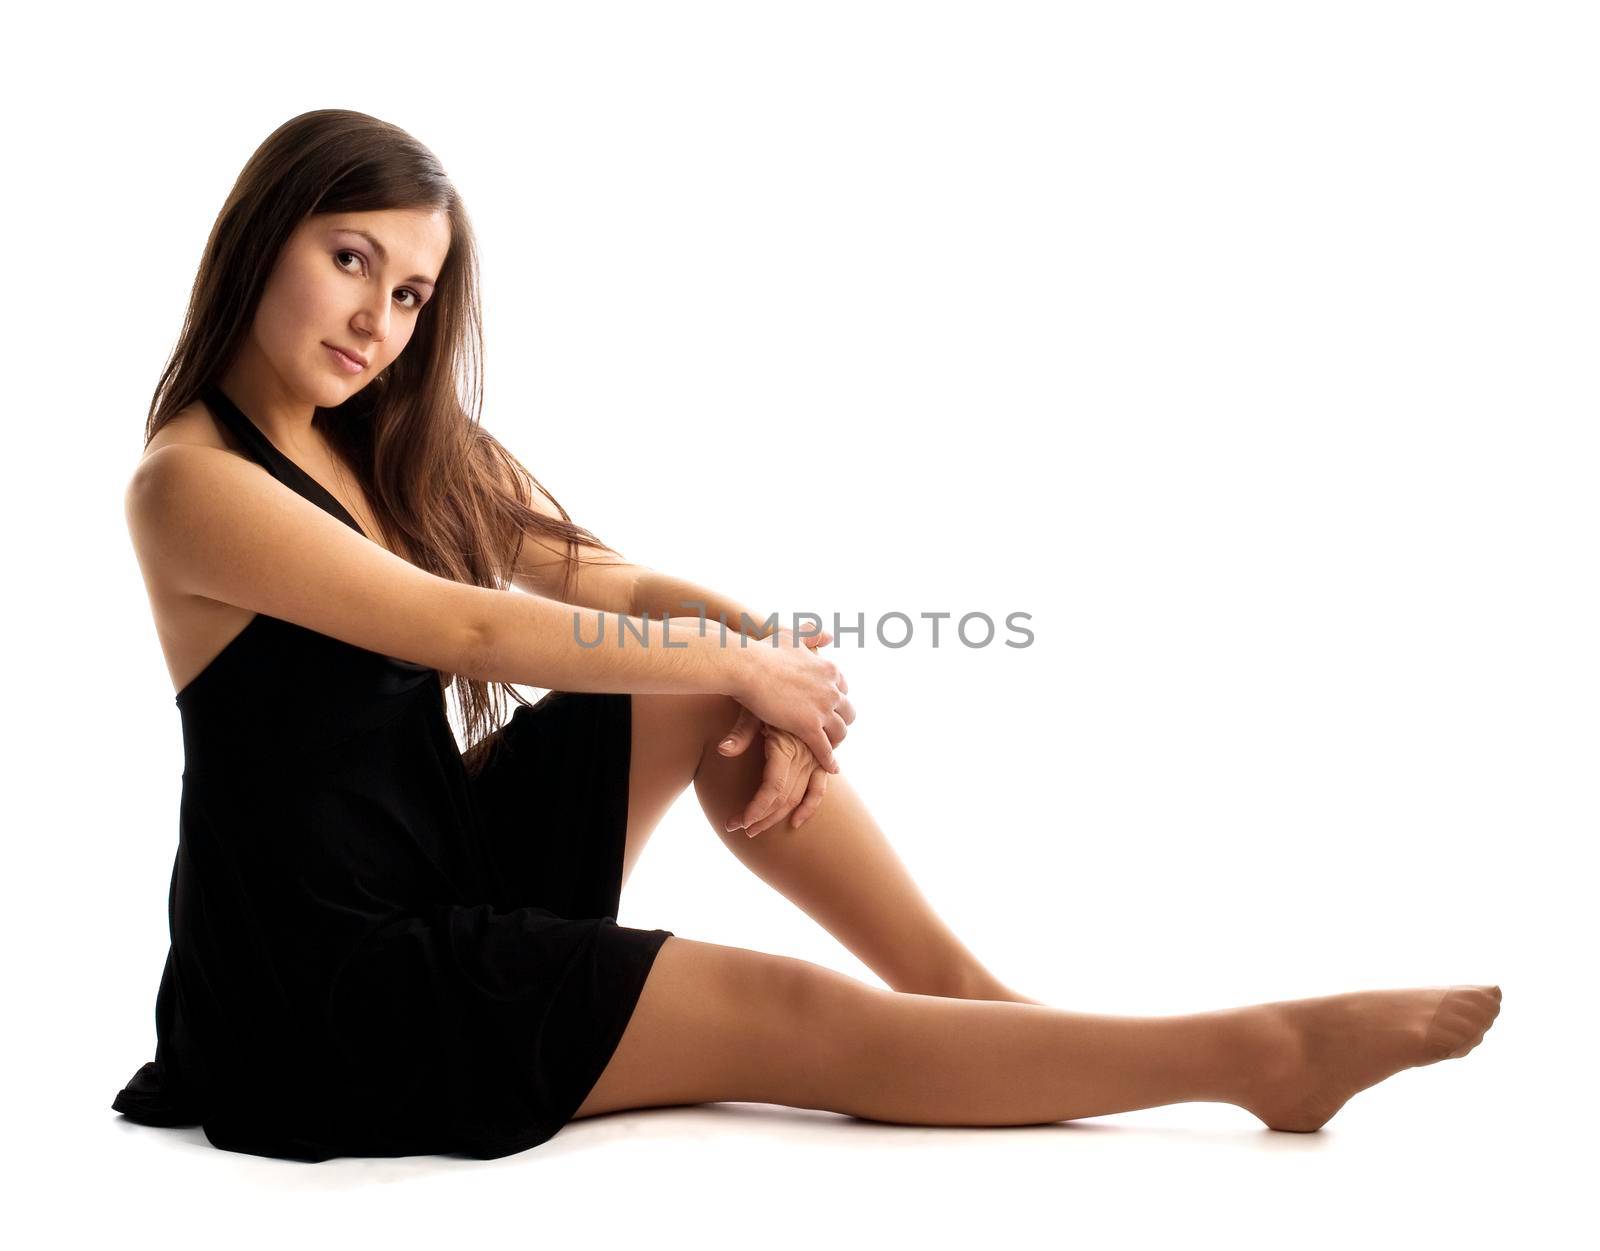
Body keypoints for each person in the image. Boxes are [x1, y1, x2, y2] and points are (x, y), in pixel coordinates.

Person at [113, 109, 1500, 1162]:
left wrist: (756, 657)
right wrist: (740, 666)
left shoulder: (382, 442)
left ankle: (966, 996)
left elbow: (604, 574)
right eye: (349, 260)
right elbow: (479, 625)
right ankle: (1260, 1057)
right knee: (786, 1008)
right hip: (326, 990)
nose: (376, 319)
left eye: (410, 294)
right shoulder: (194, 484)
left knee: (690, 691)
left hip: (435, 863)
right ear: (264, 236)